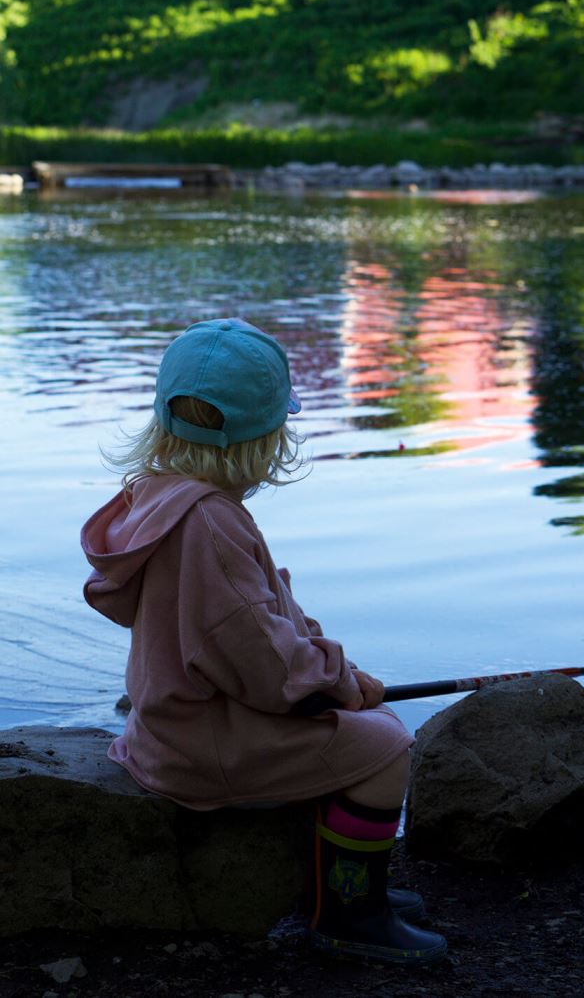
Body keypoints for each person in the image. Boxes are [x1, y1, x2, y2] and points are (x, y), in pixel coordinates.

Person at [81, 317, 447, 965]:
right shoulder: (212, 524)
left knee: (366, 722)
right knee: (384, 747)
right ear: (268, 439)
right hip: (204, 743)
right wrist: (337, 684)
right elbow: (266, 664)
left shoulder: (160, 499)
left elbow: (268, 615)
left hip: (168, 723)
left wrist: (336, 674)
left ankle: (347, 882)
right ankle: (349, 912)